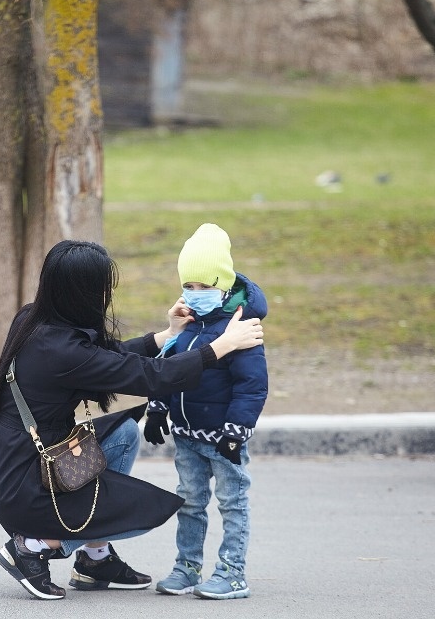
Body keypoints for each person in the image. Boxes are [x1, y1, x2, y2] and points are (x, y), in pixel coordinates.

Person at [0, 239, 264, 600]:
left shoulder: (35, 319)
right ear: (83, 293)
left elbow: (106, 358)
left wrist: (168, 335)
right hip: (22, 482)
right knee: (137, 511)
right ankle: (32, 546)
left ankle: (95, 559)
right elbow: (149, 377)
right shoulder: (63, 350)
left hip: (8, 460)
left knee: (124, 431)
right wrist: (221, 346)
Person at [144, 223, 268, 600]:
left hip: (223, 437)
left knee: (232, 503)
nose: (196, 295)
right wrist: (157, 408)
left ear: (225, 285)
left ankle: (233, 572)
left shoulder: (240, 329)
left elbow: (252, 387)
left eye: (205, 287)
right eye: (189, 287)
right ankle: (187, 566)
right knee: (190, 502)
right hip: (187, 437)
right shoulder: (188, 327)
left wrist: (236, 431)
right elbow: (171, 368)